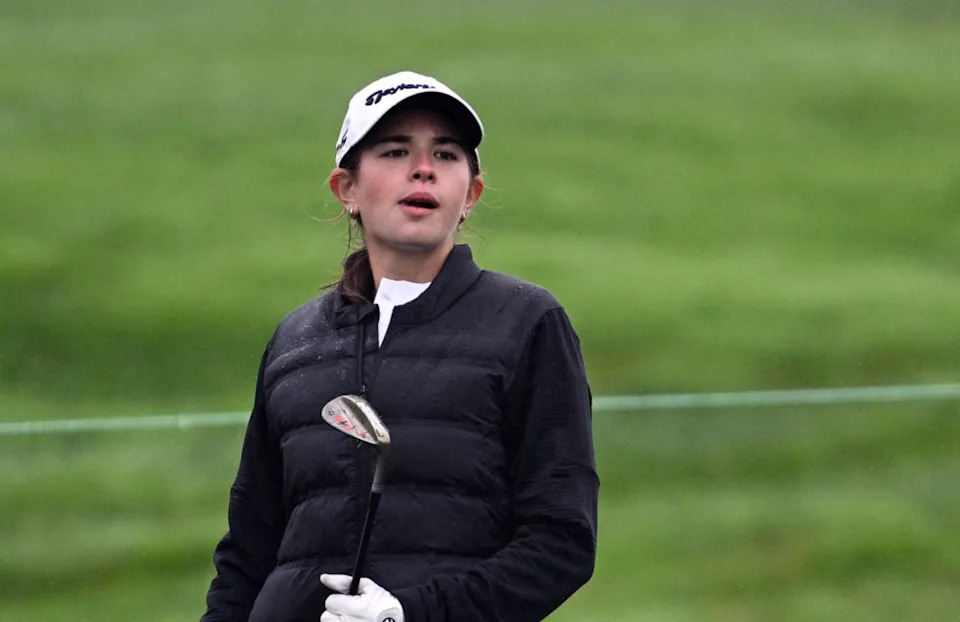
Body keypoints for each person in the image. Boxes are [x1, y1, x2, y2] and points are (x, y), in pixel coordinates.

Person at [202, 70, 599, 622]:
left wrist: (413, 614)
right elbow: (247, 551)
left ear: (471, 195)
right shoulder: (296, 341)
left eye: (446, 153)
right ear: (347, 190)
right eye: (393, 151)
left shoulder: (526, 322)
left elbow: (562, 544)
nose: (423, 168)